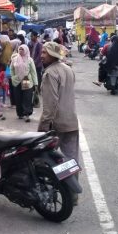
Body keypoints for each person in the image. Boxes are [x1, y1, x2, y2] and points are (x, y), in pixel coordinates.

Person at [38, 42, 80, 202]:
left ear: (53, 55)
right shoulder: (68, 69)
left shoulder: (50, 73)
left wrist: (43, 127)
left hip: (56, 123)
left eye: (44, 53)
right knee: (70, 158)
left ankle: (52, 192)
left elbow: (50, 105)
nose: (41, 55)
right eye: (41, 52)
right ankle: (72, 193)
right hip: (71, 120)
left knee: (47, 159)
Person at [10, 45, 38, 122]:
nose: (21, 51)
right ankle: (20, 113)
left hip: (26, 79)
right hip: (17, 79)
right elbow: (11, 69)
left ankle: (27, 114)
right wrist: (13, 77)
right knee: (18, 97)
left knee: (27, 97)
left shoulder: (29, 60)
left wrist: (35, 84)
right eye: (20, 49)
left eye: (22, 49)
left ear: (26, 50)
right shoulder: (14, 59)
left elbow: (33, 72)